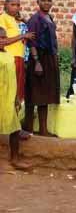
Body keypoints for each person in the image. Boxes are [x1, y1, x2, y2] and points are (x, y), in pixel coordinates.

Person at [24, 0, 60, 136]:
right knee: (35, 93)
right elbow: (31, 41)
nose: (46, 3)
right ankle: (29, 127)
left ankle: (43, 129)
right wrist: (37, 61)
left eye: (49, 0)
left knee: (44, 95)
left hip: (49, 59)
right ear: (37, 2)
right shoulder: (35, 19)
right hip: (39, 59)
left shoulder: (49, 17)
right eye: (43, 0)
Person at [0, 27, 31, 169]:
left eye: (4, 37)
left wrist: (17, 97)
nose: (3, 40)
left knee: (14, 128)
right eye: (0, 38)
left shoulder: (7, 54)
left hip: (9, 98)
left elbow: (12, 79)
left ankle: (15, 159)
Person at [0, 0, 35, 102]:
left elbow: (32, 29)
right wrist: (23, 36)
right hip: (9, 59)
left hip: (19, 58)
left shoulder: (16, 20)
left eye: (18, 5)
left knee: (18, 92)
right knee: (9, 92)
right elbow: (2, 42)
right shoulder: (3, 18)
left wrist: (23, 20)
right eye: (13, 4)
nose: (16, 7)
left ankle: (15, 116)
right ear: (5, 5)